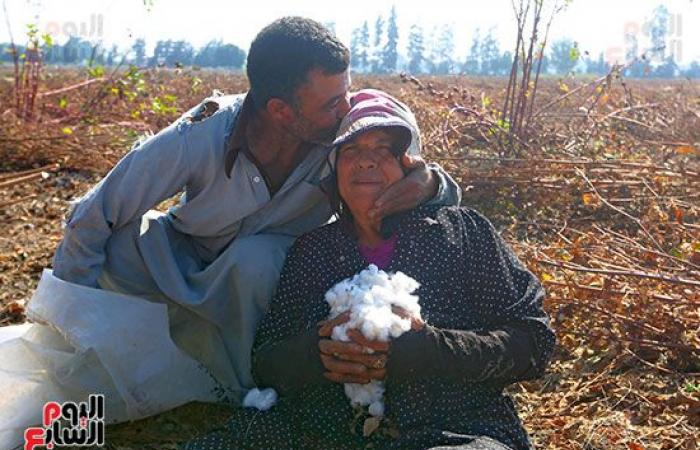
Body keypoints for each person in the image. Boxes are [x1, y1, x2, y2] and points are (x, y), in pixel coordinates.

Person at [0, 17, 461, 449]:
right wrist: (64, 318)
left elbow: (424, 177)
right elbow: (95, 213)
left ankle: (246, 385)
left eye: (345, 92)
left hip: (262, 286)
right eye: (330, 103)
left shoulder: (344, 132)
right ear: (281, 110)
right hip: (184, 266)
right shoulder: (204, 131)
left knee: (258, 260)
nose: (347, 108)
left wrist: (432, 183)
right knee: (124, 243)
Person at [181, 90, 556, 450]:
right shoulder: (314, 251)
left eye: (383, 150)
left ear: (410, 167)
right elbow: (266, 362)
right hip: (323, 432)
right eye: (351, 150)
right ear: (334, 171)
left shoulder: (463, 234)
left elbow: (534, 342)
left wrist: (431, 349)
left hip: (453, 427)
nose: (366, 161)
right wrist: (317, 352)